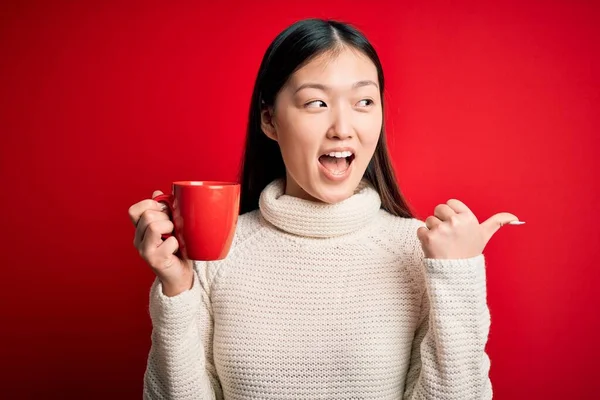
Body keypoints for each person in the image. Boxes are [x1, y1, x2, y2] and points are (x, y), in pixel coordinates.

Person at [128, 18, 521, 400]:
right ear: (270, 120)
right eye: (316, 102)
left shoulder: (419, 252)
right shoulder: (216, 255)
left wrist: (457, 277)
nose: (342, 127)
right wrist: (176, 289)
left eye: (364, 101)